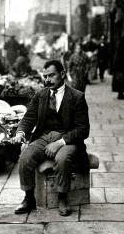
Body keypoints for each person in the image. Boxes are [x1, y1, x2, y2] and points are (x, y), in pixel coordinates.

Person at [10, 60, 90, 216]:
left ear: (62, 74)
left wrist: (60, 142)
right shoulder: (41, 95)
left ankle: (62, 197)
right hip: (45, 136)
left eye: (51, 75)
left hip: (68, 138)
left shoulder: (77, 97)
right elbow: (29, 118)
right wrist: (20, 133)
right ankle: (28, 198)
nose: (47, 80)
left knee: (62, 158)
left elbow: (83, 129)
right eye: (45, 76)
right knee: (25, 157)